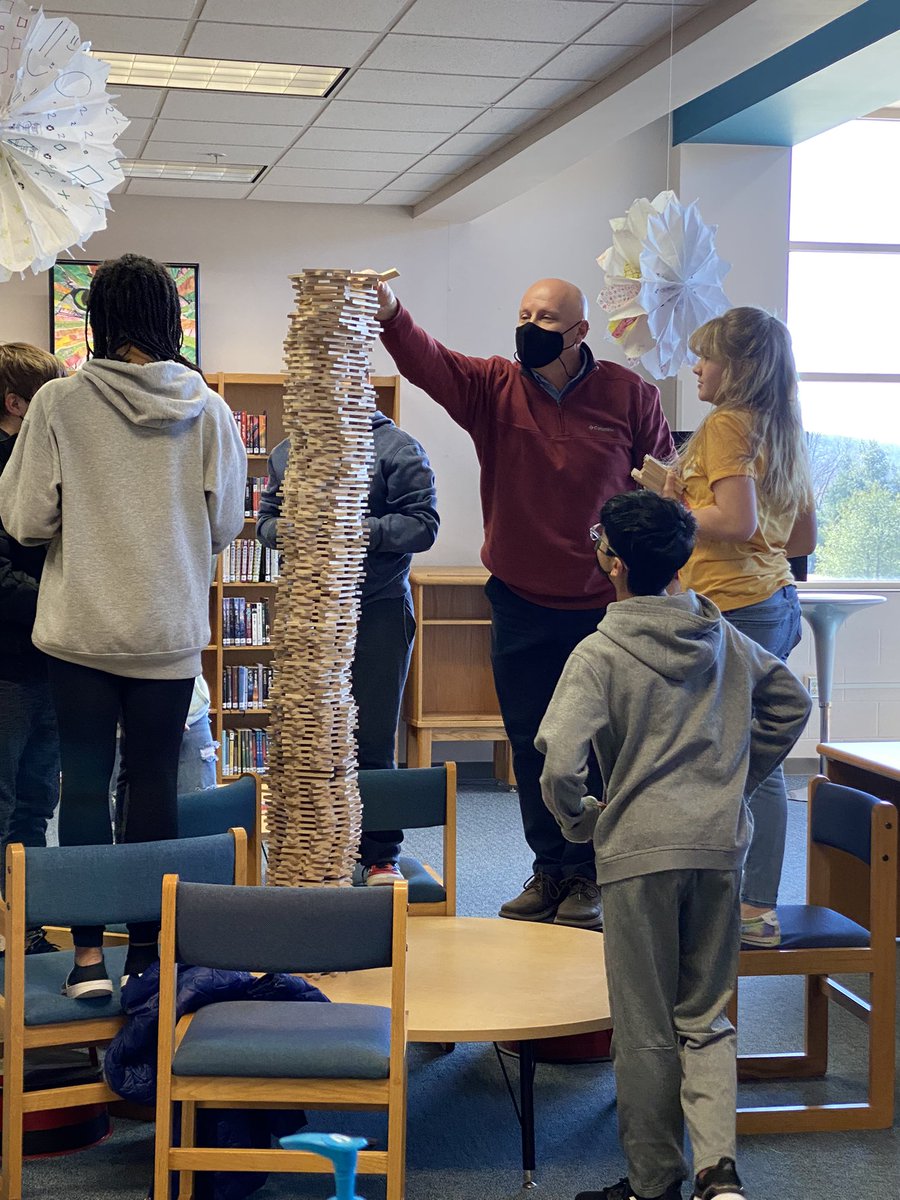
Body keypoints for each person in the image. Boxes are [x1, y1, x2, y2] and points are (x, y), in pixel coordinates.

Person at [537, 490, 811, 1200]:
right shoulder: (721, 634)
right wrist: (736, 782)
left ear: (615, 566)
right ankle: (719, 1174)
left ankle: (655, 1181)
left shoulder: (599, 651)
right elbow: (790, 702)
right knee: (705, 1013)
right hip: (719, 848)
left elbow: (559, 764)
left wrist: (585, 823)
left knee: (645, 1024)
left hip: (637, 854)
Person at [376, 277, 673, 927]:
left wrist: (657, 583)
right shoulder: (492, 388)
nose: (531, 327)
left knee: (596, 749)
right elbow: (429, 360)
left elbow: (663, 496)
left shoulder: (630, 396)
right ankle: (553, 870)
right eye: (524, 315)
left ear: (579, 333)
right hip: (519, 602)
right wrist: (393, 313)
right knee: (535, 745)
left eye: (547, 318)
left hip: (606, 610)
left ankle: (593, 873)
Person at [0, 254, 246, 998]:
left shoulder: (59, 406)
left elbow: (24, 517)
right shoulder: (208, 410)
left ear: (96, 320)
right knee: (151, 791)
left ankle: (83, 961)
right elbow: (226, 523)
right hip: (166, 634)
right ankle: (146, 952)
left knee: (80, 787)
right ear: (170, 320)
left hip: (79, 631)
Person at [658, 307, 816, 948]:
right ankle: (748, 902)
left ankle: (753, 908)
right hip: (773, 598)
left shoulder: (726, 424)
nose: (695, 366)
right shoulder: (781, 426)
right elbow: (801, 536)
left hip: (736, 604)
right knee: (750, 754)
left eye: (706, 357)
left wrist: (675, 503)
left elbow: (734, 523)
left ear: (739, 368)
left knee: (745, 760)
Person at [257, 410, 438, 882]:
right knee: (307, 731)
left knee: (373, 735)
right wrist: (297, 531)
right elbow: (265, 524)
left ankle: (380, 853)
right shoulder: (286, 452)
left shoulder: (398, 448)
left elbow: (423, 525)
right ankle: (309, 843)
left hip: (377, 607)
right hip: (310, 609)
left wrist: (358, 533)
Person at [0, 344, 66, 955]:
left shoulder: (44, 461)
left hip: (50, 660)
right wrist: (66, 594)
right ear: (16, 403)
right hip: (8, 667)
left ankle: (26, 925)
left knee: (37, 803)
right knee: (5, 803)